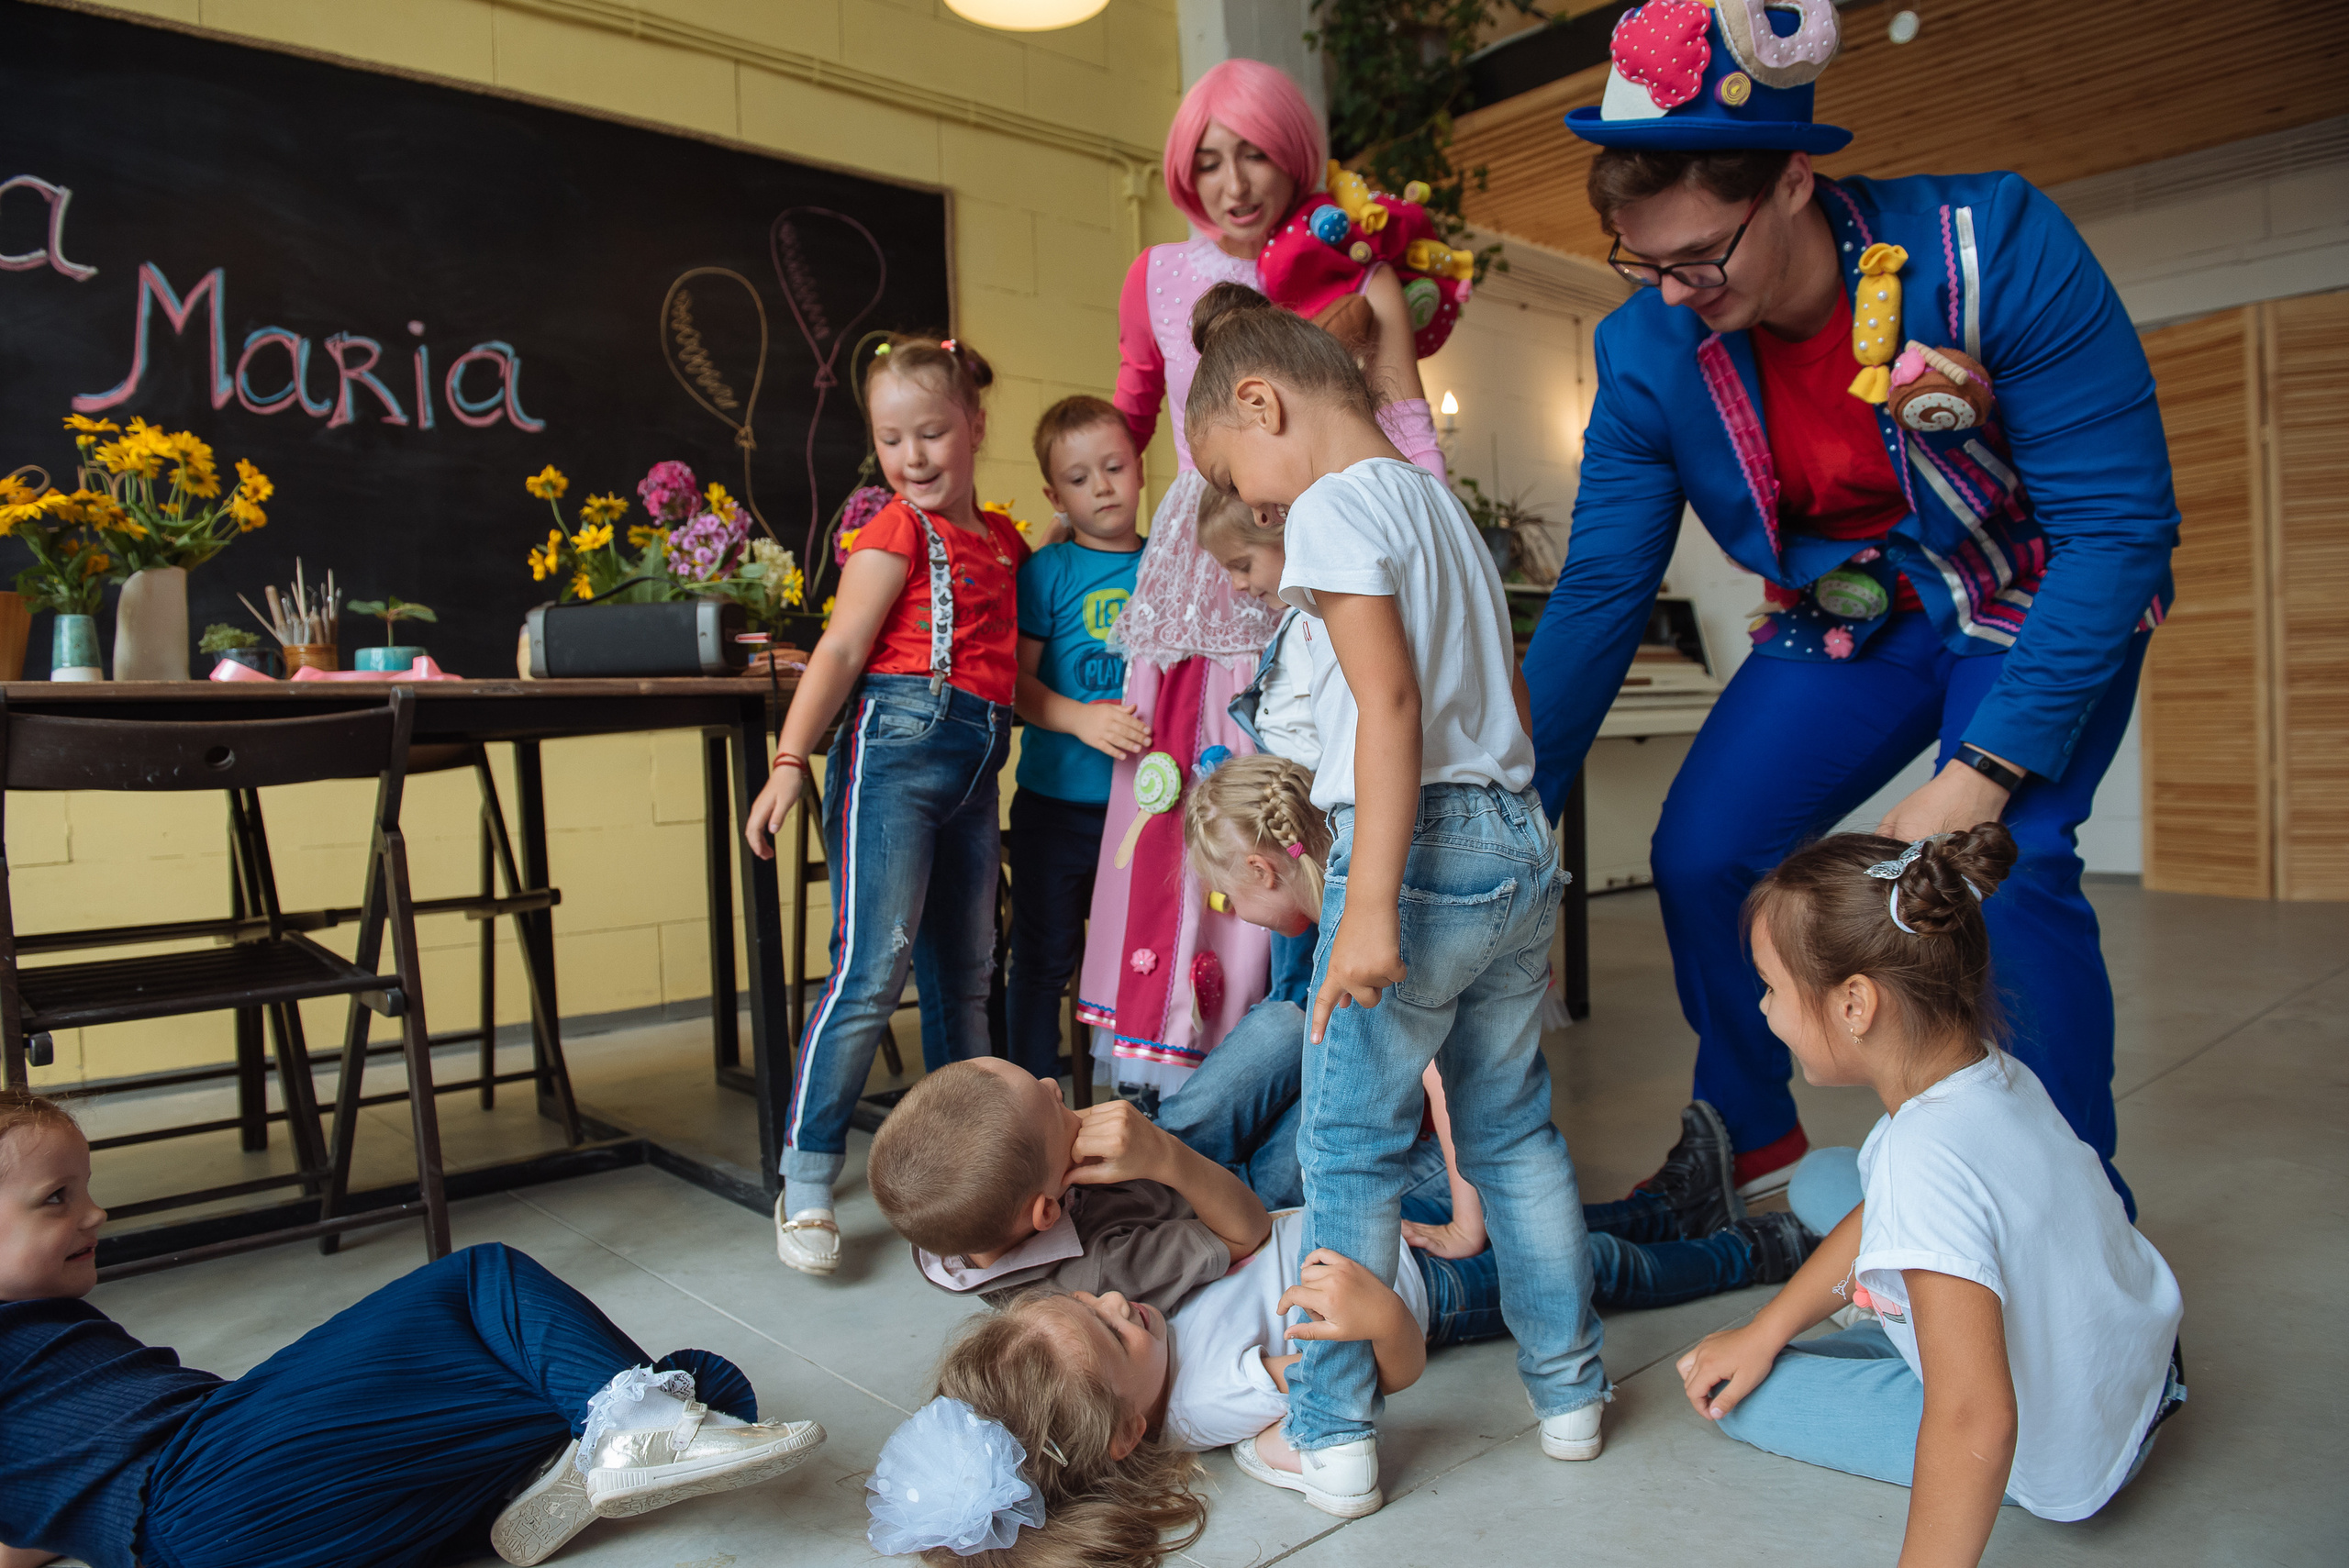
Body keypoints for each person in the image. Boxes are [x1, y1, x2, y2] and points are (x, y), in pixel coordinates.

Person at [1523, 0, 2178, 1211]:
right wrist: (1505, 801)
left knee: (2008, 865)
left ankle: (2079, 1224)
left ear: (1791, 180)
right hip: (1856, 612)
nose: (1671, 295)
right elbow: (1606, 588)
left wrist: (1980, 768)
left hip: (2032, 588)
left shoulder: (1996, 247)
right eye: (1642, 263)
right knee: (1704, 849)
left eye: (1699, 259)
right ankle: (1749, 1134)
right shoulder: (1646, 353)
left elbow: (2120, 531)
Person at [1184, 281, 1604, 1515]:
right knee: (1513, 1131)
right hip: (1518, 838)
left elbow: (1388, 709)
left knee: (1348, 1148)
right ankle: (1570, 1393)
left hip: (1415, 853)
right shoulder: (1439, 505)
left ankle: (1332, 1434)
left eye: (1244, 479)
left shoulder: (1330, 510)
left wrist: (1368, 908)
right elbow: (1509, 700)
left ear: (1262, 402)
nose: (1258, 508)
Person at [0, 1090, 824, 1568]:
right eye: (56, 1199)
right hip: (204, 1479)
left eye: (85, 1188)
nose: (94, 1211)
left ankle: (547, 1473)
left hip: (262, 1528)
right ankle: (628, 1431)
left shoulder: (44, 1341)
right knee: (480, 1281)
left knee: (696, 1375)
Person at [1081, 57, 1444, 1105]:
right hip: (1189, 561)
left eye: (1253, 155)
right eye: (1208, 161)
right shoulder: (1154, 273)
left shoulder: (1358, 270)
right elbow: (1132, 412)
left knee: (1282, 772)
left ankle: (1280, 1033)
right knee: (1174, 787)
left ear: (1293, 156)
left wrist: (1428, 544)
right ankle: (1164, 1045)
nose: (1233, 181)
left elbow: (1405, 422)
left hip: (1307, 558)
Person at [1677, 825, 2185, 1562]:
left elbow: (1975, 1417)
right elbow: (1900, 1192)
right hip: (2131, 1364)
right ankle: (1887, 1305)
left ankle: (1890, 1313)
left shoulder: (1923, 1161)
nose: (1764, 1010)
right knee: (1824, 1176)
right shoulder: (1991, 1072)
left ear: (1855, 1004)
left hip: (2064, 1441)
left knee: (1745, 1398)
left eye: (1772, 988)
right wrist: (1765, 1328)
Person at [744, 334, 1028, 1276]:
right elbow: (838, 649)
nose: (914, 457)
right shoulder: (895, 531)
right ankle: (810, 1173)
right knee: (871, 968)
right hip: (896, 756)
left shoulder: (1002, 540)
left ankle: (965, 1180)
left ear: (974, 425)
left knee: (967, 973)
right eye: (893, 439)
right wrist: (791, 757)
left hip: (979, 767)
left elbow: (1021, 675)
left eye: (933, 433)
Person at [865, 1055, 1270, 1315]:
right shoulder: (1096, 1279)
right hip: (1227, 1200)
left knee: (1279, 1027)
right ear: (1046, 1211)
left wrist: (1059, 1127)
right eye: (1055, 1106)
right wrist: (1166, 1154)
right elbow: (1247, 1232)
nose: (1052, 1083)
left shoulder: (949, 1208)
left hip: (1153, 1158)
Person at [1007, 395, 1151, 1086]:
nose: (1102, 486)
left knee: (1136, 953)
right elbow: (1015, 685)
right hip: (1055, 807)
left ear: (1141, 469)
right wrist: (1081, 719)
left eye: (1114, 467)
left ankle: (1136, 1094)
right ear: (1054, 494)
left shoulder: (1168, 569)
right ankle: (1030, 1099)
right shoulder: (1046, 574)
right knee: (1043, 957)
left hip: (1145, 808)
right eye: (1080, 476)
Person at [1200, 495, 1320, 1007]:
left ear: (1285, 537)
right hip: (1286, 833)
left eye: (1242, 565)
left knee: (1297, 989)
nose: (1238, 584)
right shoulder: (1297, 621)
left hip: (1303, 837)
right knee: (1295, 974)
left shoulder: (1322, 627)